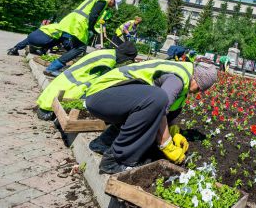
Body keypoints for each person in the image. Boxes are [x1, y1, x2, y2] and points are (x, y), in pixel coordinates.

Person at [84, 60, 218, 174]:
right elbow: (160, 106)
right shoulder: (176, 80)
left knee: (158, 104)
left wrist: (173, 132)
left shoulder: (184, 81)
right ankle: (116, 160)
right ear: (197, 78)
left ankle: (104, 142)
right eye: (200, 87)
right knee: (158, 98)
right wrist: (166, 144)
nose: (198, 92)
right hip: (101, 96)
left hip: (111, 98)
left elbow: (169, 112)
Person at [35, 41, 138, 121]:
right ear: (125, 56)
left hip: (62, 83)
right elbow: (102, 80)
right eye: (127, 59)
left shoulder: (107, 52)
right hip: (70, 89)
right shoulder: (109, 61)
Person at [44, 0, 122, 77]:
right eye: (113, 4)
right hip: (80, 22)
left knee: (72, 45)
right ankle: (52, 68)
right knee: (80, 48)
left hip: (74, 19)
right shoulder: (103, 1)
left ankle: (51, 60)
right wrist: (91, 29)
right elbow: (93, 15)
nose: (112, 6)